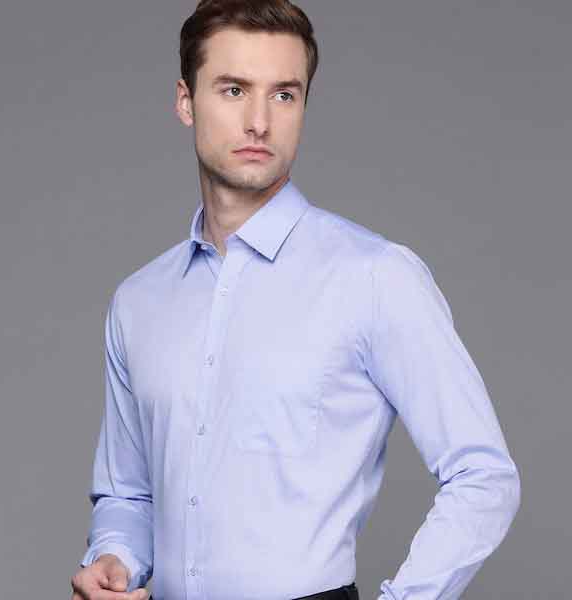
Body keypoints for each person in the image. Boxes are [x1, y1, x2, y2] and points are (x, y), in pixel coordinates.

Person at [70, 1, 521, 599]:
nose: (259, 122)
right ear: (186, 101)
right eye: (234, 90)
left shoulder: (374, 277)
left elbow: (483, 476)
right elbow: (128, 493)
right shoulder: (139, 301)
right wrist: (115, 558)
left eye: (284, 95)